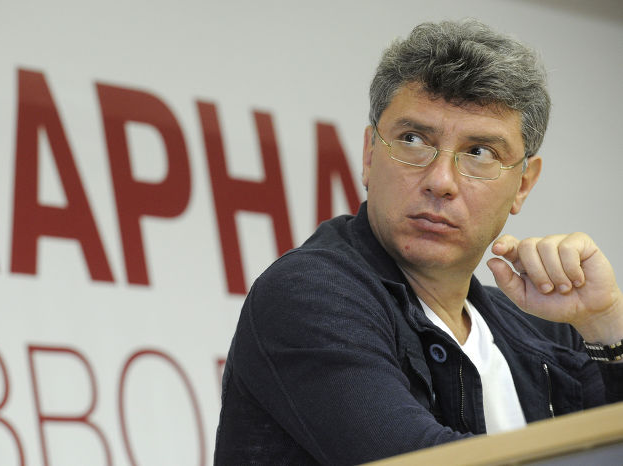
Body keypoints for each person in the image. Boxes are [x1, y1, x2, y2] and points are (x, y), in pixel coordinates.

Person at [213, 19, 623, 465]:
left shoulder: (546, 329)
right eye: (413, 140)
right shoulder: (308, 294)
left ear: (523, 184)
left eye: (480, 152)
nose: (440, 181)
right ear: (369, 155)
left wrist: (606, 324)